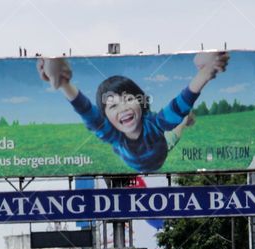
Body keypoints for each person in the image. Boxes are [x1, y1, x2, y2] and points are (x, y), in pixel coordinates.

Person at [37, 51, 228, 172]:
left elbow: (179, 104)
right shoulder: (113, 136)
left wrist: (204, 74)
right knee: (174, 131)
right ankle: (184, 121)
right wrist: (63, 84)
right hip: (136, 160)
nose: (124, 107)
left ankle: (185, 121)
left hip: (162, 149)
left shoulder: (154, 123)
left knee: (175, 131)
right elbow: (88, 112)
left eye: (129, 99)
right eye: (113, 105)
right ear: (107, 118)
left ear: (141, 102)